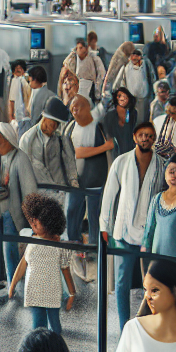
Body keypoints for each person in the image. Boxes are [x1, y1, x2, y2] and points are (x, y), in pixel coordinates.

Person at [100, 120, 169, 330]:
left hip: (150, 231)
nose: (145, 138)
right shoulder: (121, 162)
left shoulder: (161, 165)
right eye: (142, 135)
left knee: (153, 282)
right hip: (123, 231)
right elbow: (109, 195)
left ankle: (150, 324)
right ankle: (124, 328)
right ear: (134, 137)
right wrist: (105, 225)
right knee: (122, 282)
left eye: (149, 135)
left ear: (154, 139)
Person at [0, 122, 38, 302]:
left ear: (5, 136)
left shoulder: (20, 158)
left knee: (10, 247)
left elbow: (29, 189)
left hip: (12, 209)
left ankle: (13, 283)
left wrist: (33, 217)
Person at [7, 194, 75, 333]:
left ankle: (55, 349)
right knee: (38, 326)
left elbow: (66, 269)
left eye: (36, 223)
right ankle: (39, 350)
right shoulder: (33, 242)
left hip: (52, 292)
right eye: (32, 221)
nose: (33, 223)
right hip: (34, 292)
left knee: (55, 326)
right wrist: (12, 284)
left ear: (50, 223)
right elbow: (22, 265)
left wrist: (72, 293)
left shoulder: (60, 246)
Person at [67, 94, 111, 250]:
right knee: (72, 212)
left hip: (95, 180)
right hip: (76, 180)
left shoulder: (98, 125)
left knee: (94, 216)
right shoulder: (72, 127)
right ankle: (73, 245)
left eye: (77, 108)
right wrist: (103, 148)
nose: (75, 112)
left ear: (87, 108)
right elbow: (76, 152)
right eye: (72, 109)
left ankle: (95, 249)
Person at [19, 97, 76, 202]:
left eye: (58, 123)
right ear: (45, 117)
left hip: (61, 194)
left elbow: (70, 162)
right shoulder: (27, 140)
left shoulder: (61, 139)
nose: (55, 126)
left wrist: (74, 184)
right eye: (53, 121)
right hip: (39, 196)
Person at [61, 39, 100, 103]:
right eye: (77, 48)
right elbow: (66, 63)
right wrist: (73, 53)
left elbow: (100, 74)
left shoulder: (93, 58)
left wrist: (97, 90)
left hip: (89, 86)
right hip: (77, 85)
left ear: (86, 49)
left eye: (81, 48)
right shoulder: (74, 58)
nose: (79, 50)